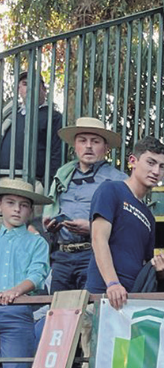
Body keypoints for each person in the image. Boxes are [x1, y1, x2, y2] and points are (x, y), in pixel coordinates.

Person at [87, 135, 164, 368]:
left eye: (162, 166)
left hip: (134, 303)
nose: (156, 171)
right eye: (150, 162)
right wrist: (111, 282)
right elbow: (99, 238)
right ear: (132, 161)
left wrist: (162, 271)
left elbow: (145, 263)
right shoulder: (111, 191)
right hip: (103, 298)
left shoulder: (149, 215)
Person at [43, 116, 126, 293]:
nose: (88, 146)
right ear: (75, 145)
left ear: (106, 147)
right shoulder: (62, 176)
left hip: (95, 255)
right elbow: (51, 209)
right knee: (59, 307)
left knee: (90, 307)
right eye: (82, 141)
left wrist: (93, 229)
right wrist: (50, 225)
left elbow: (127, 225)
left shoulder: (118, 180)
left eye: (95, 141)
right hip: (62, 256)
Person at [0, 179, 49, 368]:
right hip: (13, 312)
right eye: (11, 203)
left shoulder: (36, 242)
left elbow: (38, 273)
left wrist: (15, 291)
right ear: (0, 206)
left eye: (24, 205)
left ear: (31, 211)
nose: (17, 209)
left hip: (18, 313)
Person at [0, 71, 64, 184]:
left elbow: (57, 153)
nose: (29, 88)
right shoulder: (10, 116)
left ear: (44, 90)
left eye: (34, 84)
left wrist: (47, 184)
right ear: (19, 89)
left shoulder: (53, 117)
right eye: (25, 84)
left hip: (33, 182)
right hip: (4, 179)